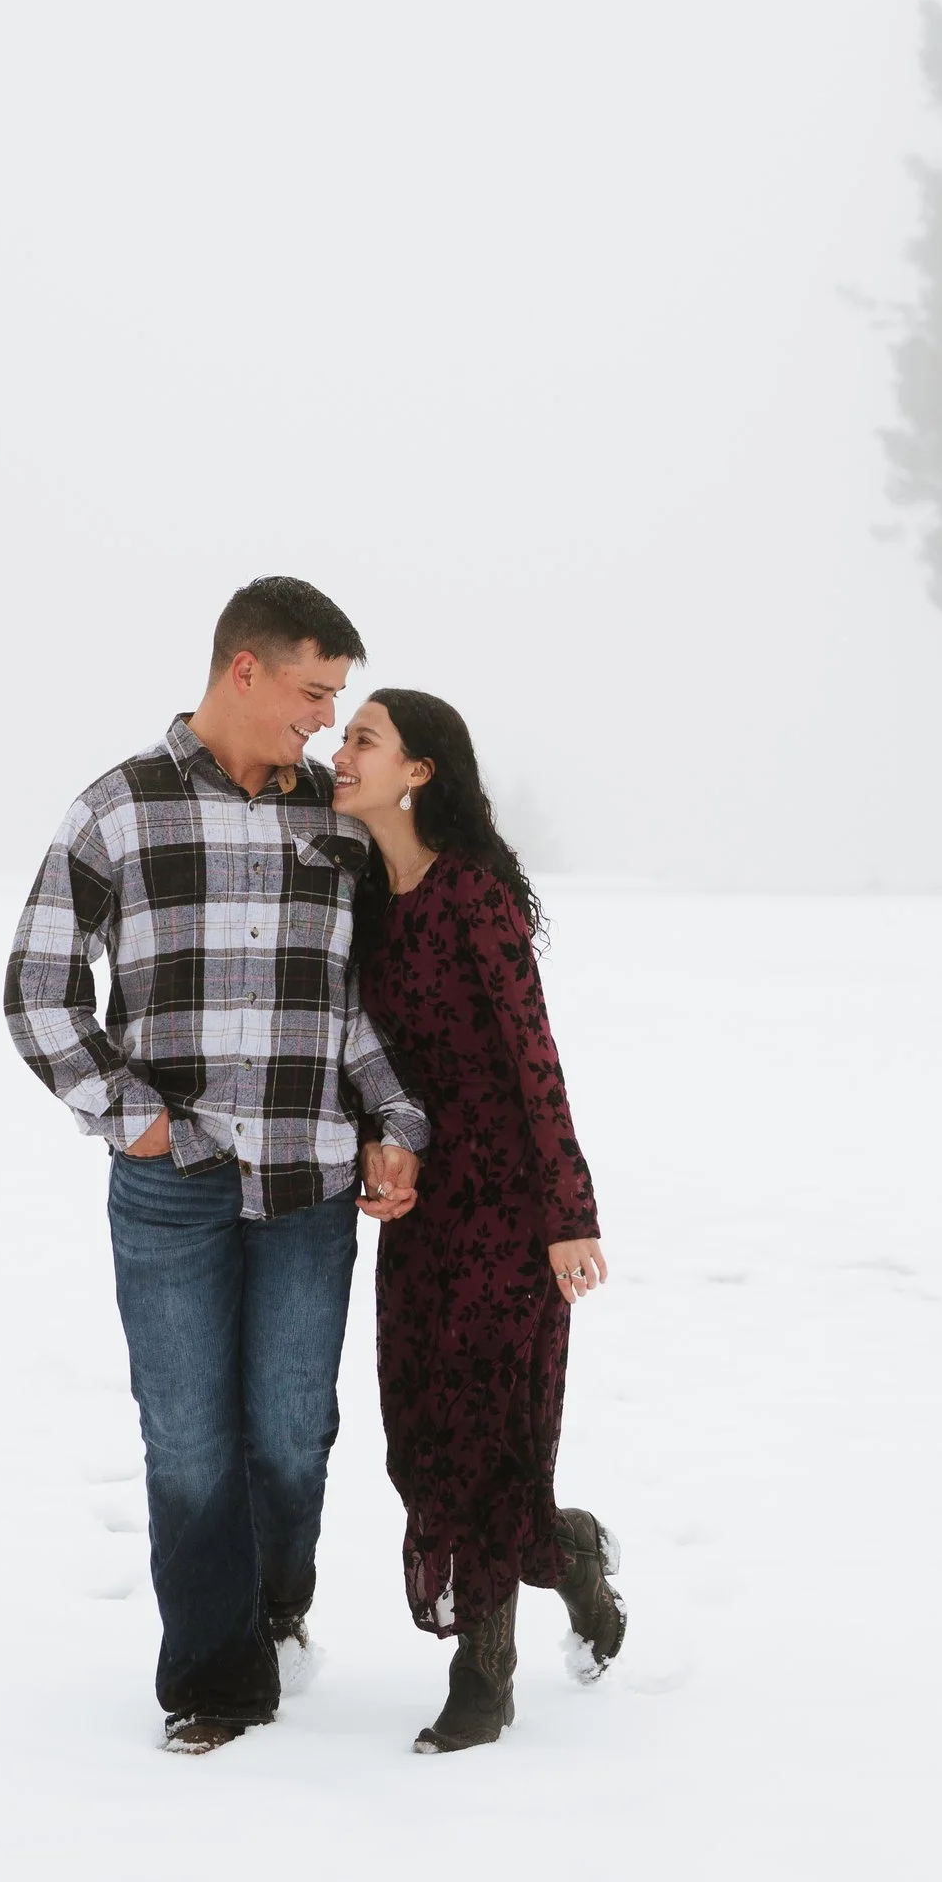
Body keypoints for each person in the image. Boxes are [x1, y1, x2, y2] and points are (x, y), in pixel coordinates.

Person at [3, 578, 428, 1755]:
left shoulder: (334, 828)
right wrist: (138, 1121)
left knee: (292, 1430)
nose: (324, 722)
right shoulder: (116, 811)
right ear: (242, 669)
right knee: (187, 1435)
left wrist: (394, 1117)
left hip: (312, 1183)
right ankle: (215, 1678)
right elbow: (37, 989)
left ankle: (274, 1609)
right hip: (171, 1187)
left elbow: (359, 1012)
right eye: (310, 692)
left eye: (337, 700)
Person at [332, 688, 626, 1753]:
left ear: (417, 772)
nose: (339, 750)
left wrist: (568, 1212)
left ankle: (483, 1678)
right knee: (421, 1444)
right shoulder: (368, 899)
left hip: (510, 1206)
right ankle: (572, 1551)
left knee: (491, 1442)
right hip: (422, 1209)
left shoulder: (474, 898)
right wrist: (383, 1145)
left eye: (362, 739)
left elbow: (533, 1057)